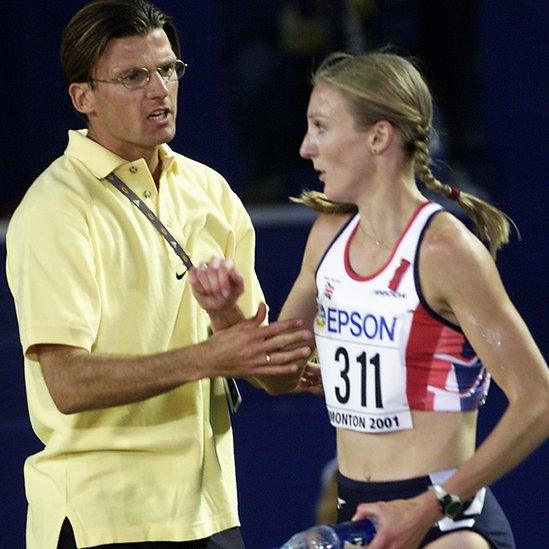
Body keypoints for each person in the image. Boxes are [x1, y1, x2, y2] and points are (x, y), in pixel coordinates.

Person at [188, 51, 548, 548]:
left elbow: (540, 399)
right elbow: (274, 377)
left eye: (320, 127)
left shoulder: (444, 250)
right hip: (357, 520)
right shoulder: (328, 236)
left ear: (378, 137)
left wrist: (430, 507)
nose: (305, 147)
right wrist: (225, 314)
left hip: (445, 525)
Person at [5, 1, 313, 548]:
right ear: (84, 99)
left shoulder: (212, 192)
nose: (159, 90)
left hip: (211, 514)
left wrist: (266, 350)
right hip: (103, 519)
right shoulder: (55, 208)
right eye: (133, 76)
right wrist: (210, 359)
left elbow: (265, 371)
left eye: (168, 69)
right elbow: (68, 384)